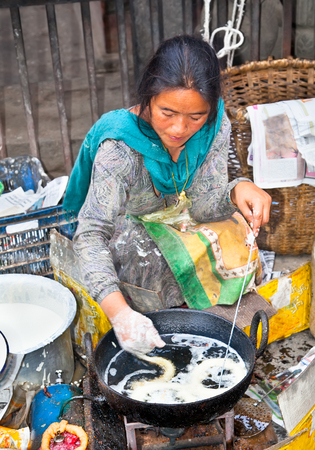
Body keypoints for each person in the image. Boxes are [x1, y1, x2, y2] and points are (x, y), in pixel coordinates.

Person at [63, 35, 271, 358]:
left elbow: (204, 207)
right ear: (148, 96)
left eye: (195, 117)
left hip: (179, 216)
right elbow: (90, 236)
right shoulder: (120, 151)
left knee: (239, 237)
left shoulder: (213, 127)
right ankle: (151, 316)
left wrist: (237, 189)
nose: (179, 129)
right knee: (151, 258)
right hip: (129, 229)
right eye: (167, 112)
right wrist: (119, 314)